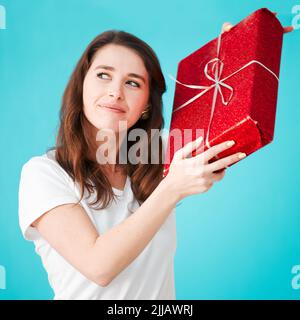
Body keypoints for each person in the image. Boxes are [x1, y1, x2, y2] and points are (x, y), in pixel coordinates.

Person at [18, 17, 293, 300]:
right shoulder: (44, 174)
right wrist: (171, 188)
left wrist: (242, 46)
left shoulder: (160, 156)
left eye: (133, 83)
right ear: (81, 85)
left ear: (147, 104)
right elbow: (98, 265)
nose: (115, 91)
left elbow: (224, 118)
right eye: (103, 75)